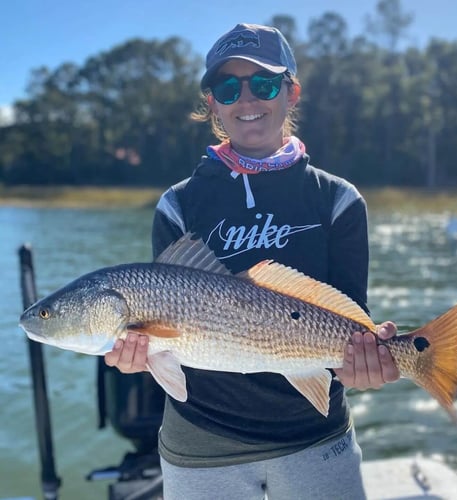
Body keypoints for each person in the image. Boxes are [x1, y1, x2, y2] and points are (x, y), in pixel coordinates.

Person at [105, 23, 399, 499]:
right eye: (228, 87)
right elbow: (167, 325)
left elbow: (350, 325)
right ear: (213, 103)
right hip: (200, 446)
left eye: (263, 83)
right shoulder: (177, 206)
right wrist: (137, 355)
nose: (246, 100)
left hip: (315, 435)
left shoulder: (339, 201)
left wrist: (366, 362)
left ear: (292, 92)